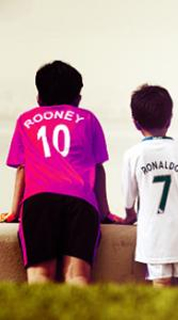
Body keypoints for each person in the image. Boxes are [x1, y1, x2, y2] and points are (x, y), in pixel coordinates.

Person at [3, 60, 113, 285]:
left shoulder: (26, 120)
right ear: (78, 99)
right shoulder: (87, 119)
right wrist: (104, 213)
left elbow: (22, 169)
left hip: (39, 201)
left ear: (39, 98)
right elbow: (98, 168)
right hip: (81, 203)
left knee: (40, 276)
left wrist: (14, 212)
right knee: (78, 276)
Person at [122, 84, 178, 287]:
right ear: (170, 119)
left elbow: (128, 196)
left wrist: (129, 214)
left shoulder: (133, 155)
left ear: (135, 123)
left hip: (153, 233)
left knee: (160, 281)